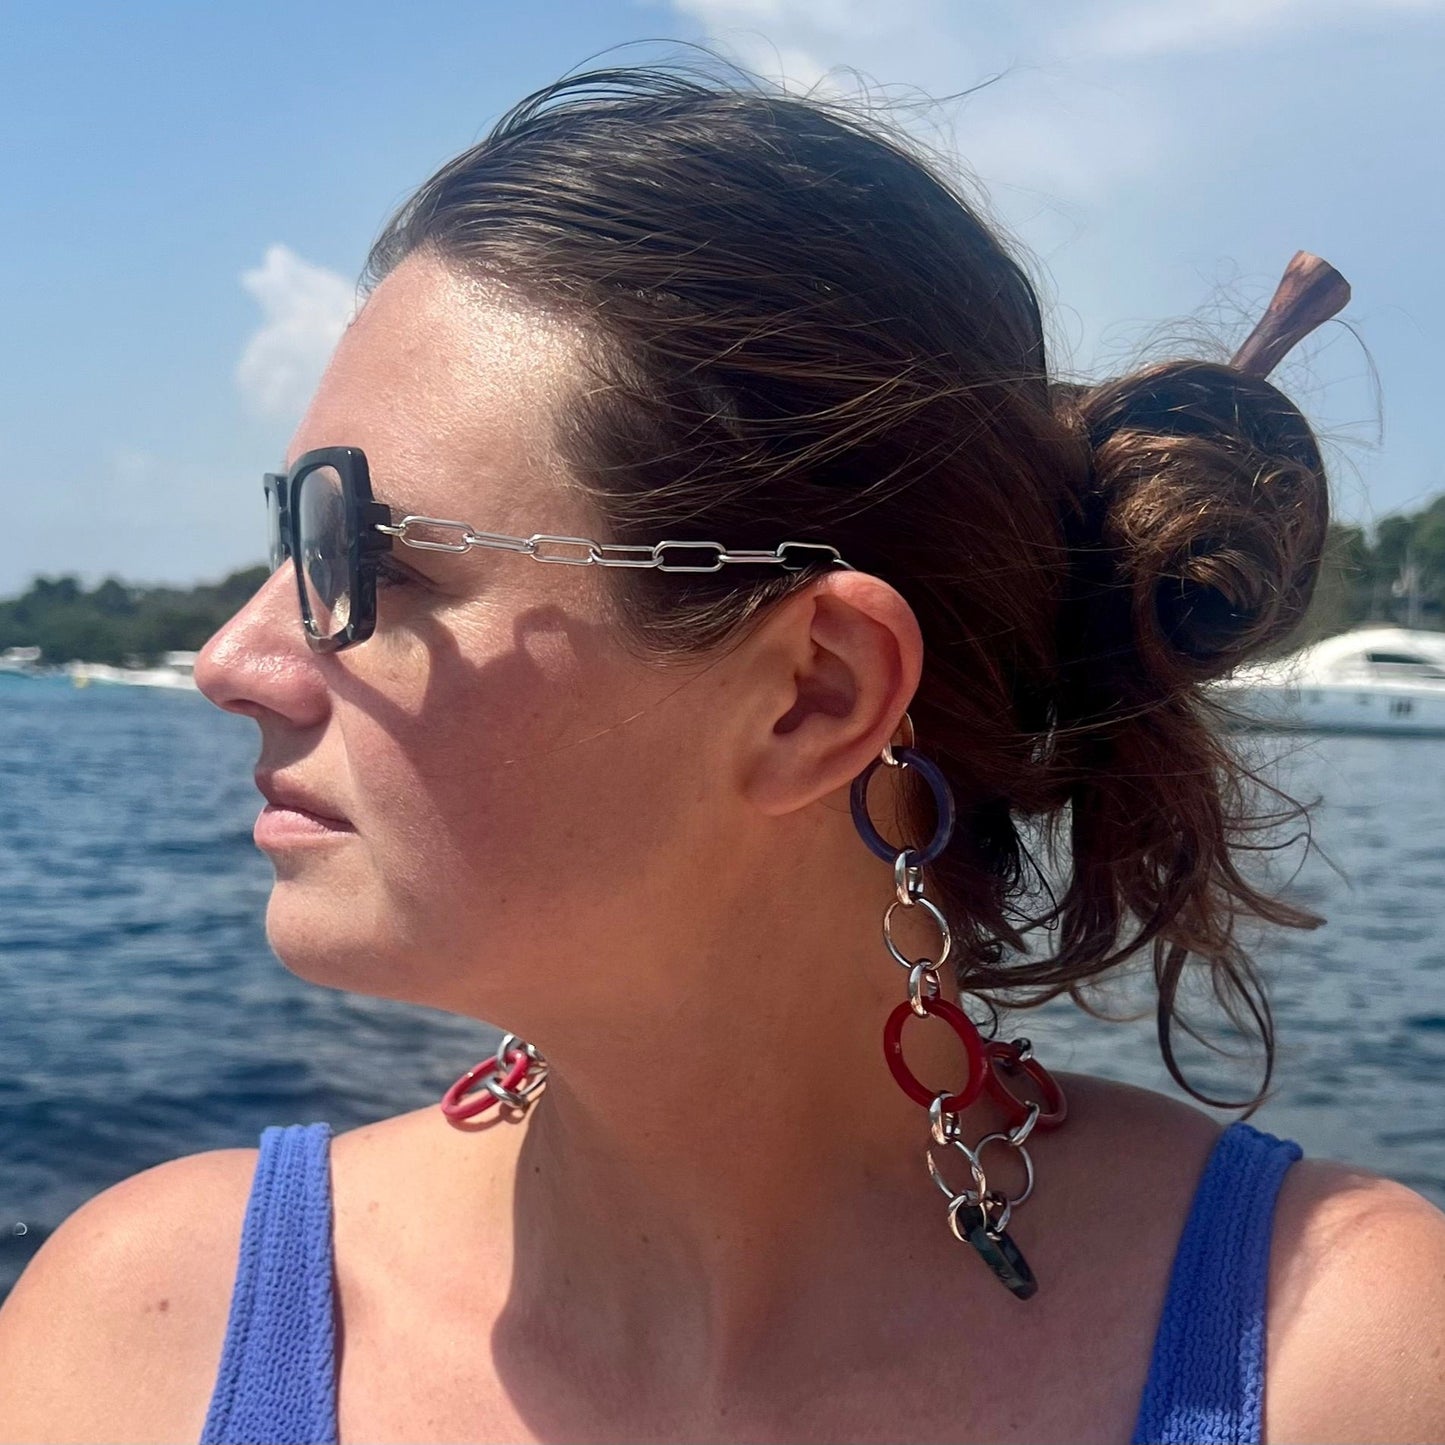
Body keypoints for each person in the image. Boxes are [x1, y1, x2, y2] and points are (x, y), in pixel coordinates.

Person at [2, 64, 1443, 1445]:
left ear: (814, 695)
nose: (231, 660)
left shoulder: (1341, 1366)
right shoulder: (145, 1331)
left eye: (375, 562)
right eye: (297, 539)